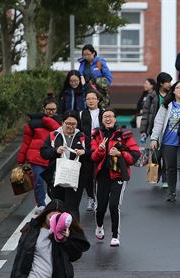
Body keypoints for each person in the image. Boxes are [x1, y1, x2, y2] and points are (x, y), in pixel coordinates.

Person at [91, 108, 141, 246]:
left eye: (110, 116)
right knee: (100, 207)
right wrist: (100, 149)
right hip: (102, 176)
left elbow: (135, 155)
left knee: (114, 205)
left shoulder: (124, 134)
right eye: (105, 116)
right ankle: (99, 226)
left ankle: (115, 236)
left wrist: (121, 154)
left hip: (118, 174)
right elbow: (93, 157)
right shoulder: (96, 134)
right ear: (102, 119)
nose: (108, 119)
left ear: (115, 119)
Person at [10, 199, 90, 278]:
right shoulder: (32, 230)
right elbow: (21, 258)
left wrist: (65, 241)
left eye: (58, 218)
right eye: (51, 217)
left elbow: (74, 256)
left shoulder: (64, 235)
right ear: (45, 215)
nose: (54, 221)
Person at [150, 80, 180, 202]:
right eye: (178, 88)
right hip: (168, 142)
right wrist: (154, 138)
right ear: (174, 91)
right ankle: (171, 193)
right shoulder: (166, 105)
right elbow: (159, 123)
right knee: (170, 168)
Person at [17, 98, 61, 214]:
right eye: (48, 109)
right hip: (36, 157)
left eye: (53, 109)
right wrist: (21, 159)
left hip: (53, 157)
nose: (51, 112)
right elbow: (26, 142)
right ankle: (41, 204)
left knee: (54, 182)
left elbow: (61, 133)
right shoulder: (33, 124)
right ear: (43, 109)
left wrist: (48, 120)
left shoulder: (61, 121)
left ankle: (55, 203)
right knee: (39, 181)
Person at [40, 112, 88, 220]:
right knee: (58, 207)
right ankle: (58, 233)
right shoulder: (53, 135)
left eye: (74, 124)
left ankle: (73, 234)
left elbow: (92, 153)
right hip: (56, 178)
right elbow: (43, 153)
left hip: (75, 178)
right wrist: (55, 150)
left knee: (72, 207)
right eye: (68, 123)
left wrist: (84, 152)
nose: (70, 126)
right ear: (62, 123)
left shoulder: (82, 137)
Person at [141, 72, 173, 188]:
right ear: (160, 83)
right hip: (155, 129)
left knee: (166, 155)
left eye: (170, 82)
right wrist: (143, 130)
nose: (170, 84)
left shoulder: (172, 95)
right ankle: (153, 176)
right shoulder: (152, 96)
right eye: (167, 82)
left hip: (169, 129)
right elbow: (145, 113)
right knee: (155, 155)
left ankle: (165, 180)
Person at [78, 90, 104, 212]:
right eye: (88, 99)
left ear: (98, 100)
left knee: (101, 174)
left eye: (93, 98)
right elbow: (78, 131)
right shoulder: (81, 114)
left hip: (102, 147)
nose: (91, 101)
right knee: (87, 174)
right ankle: (91, 198)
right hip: (87, 149)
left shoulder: (104, 113)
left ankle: (101, 198)